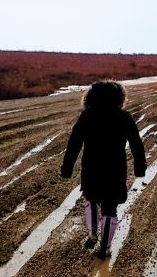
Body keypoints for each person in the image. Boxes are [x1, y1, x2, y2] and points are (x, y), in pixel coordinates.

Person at [61, 80, 147, 259]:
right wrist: (140, 168)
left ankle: (92, 234)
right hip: (115, 170)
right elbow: (137, 145)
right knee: (110, 208)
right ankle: (105, 247)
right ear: (119, 97)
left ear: (91, 97)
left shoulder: (87, 115)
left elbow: (74, 143)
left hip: (92, 168)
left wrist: (67, 168)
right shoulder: (124, 116)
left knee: (91, 199)